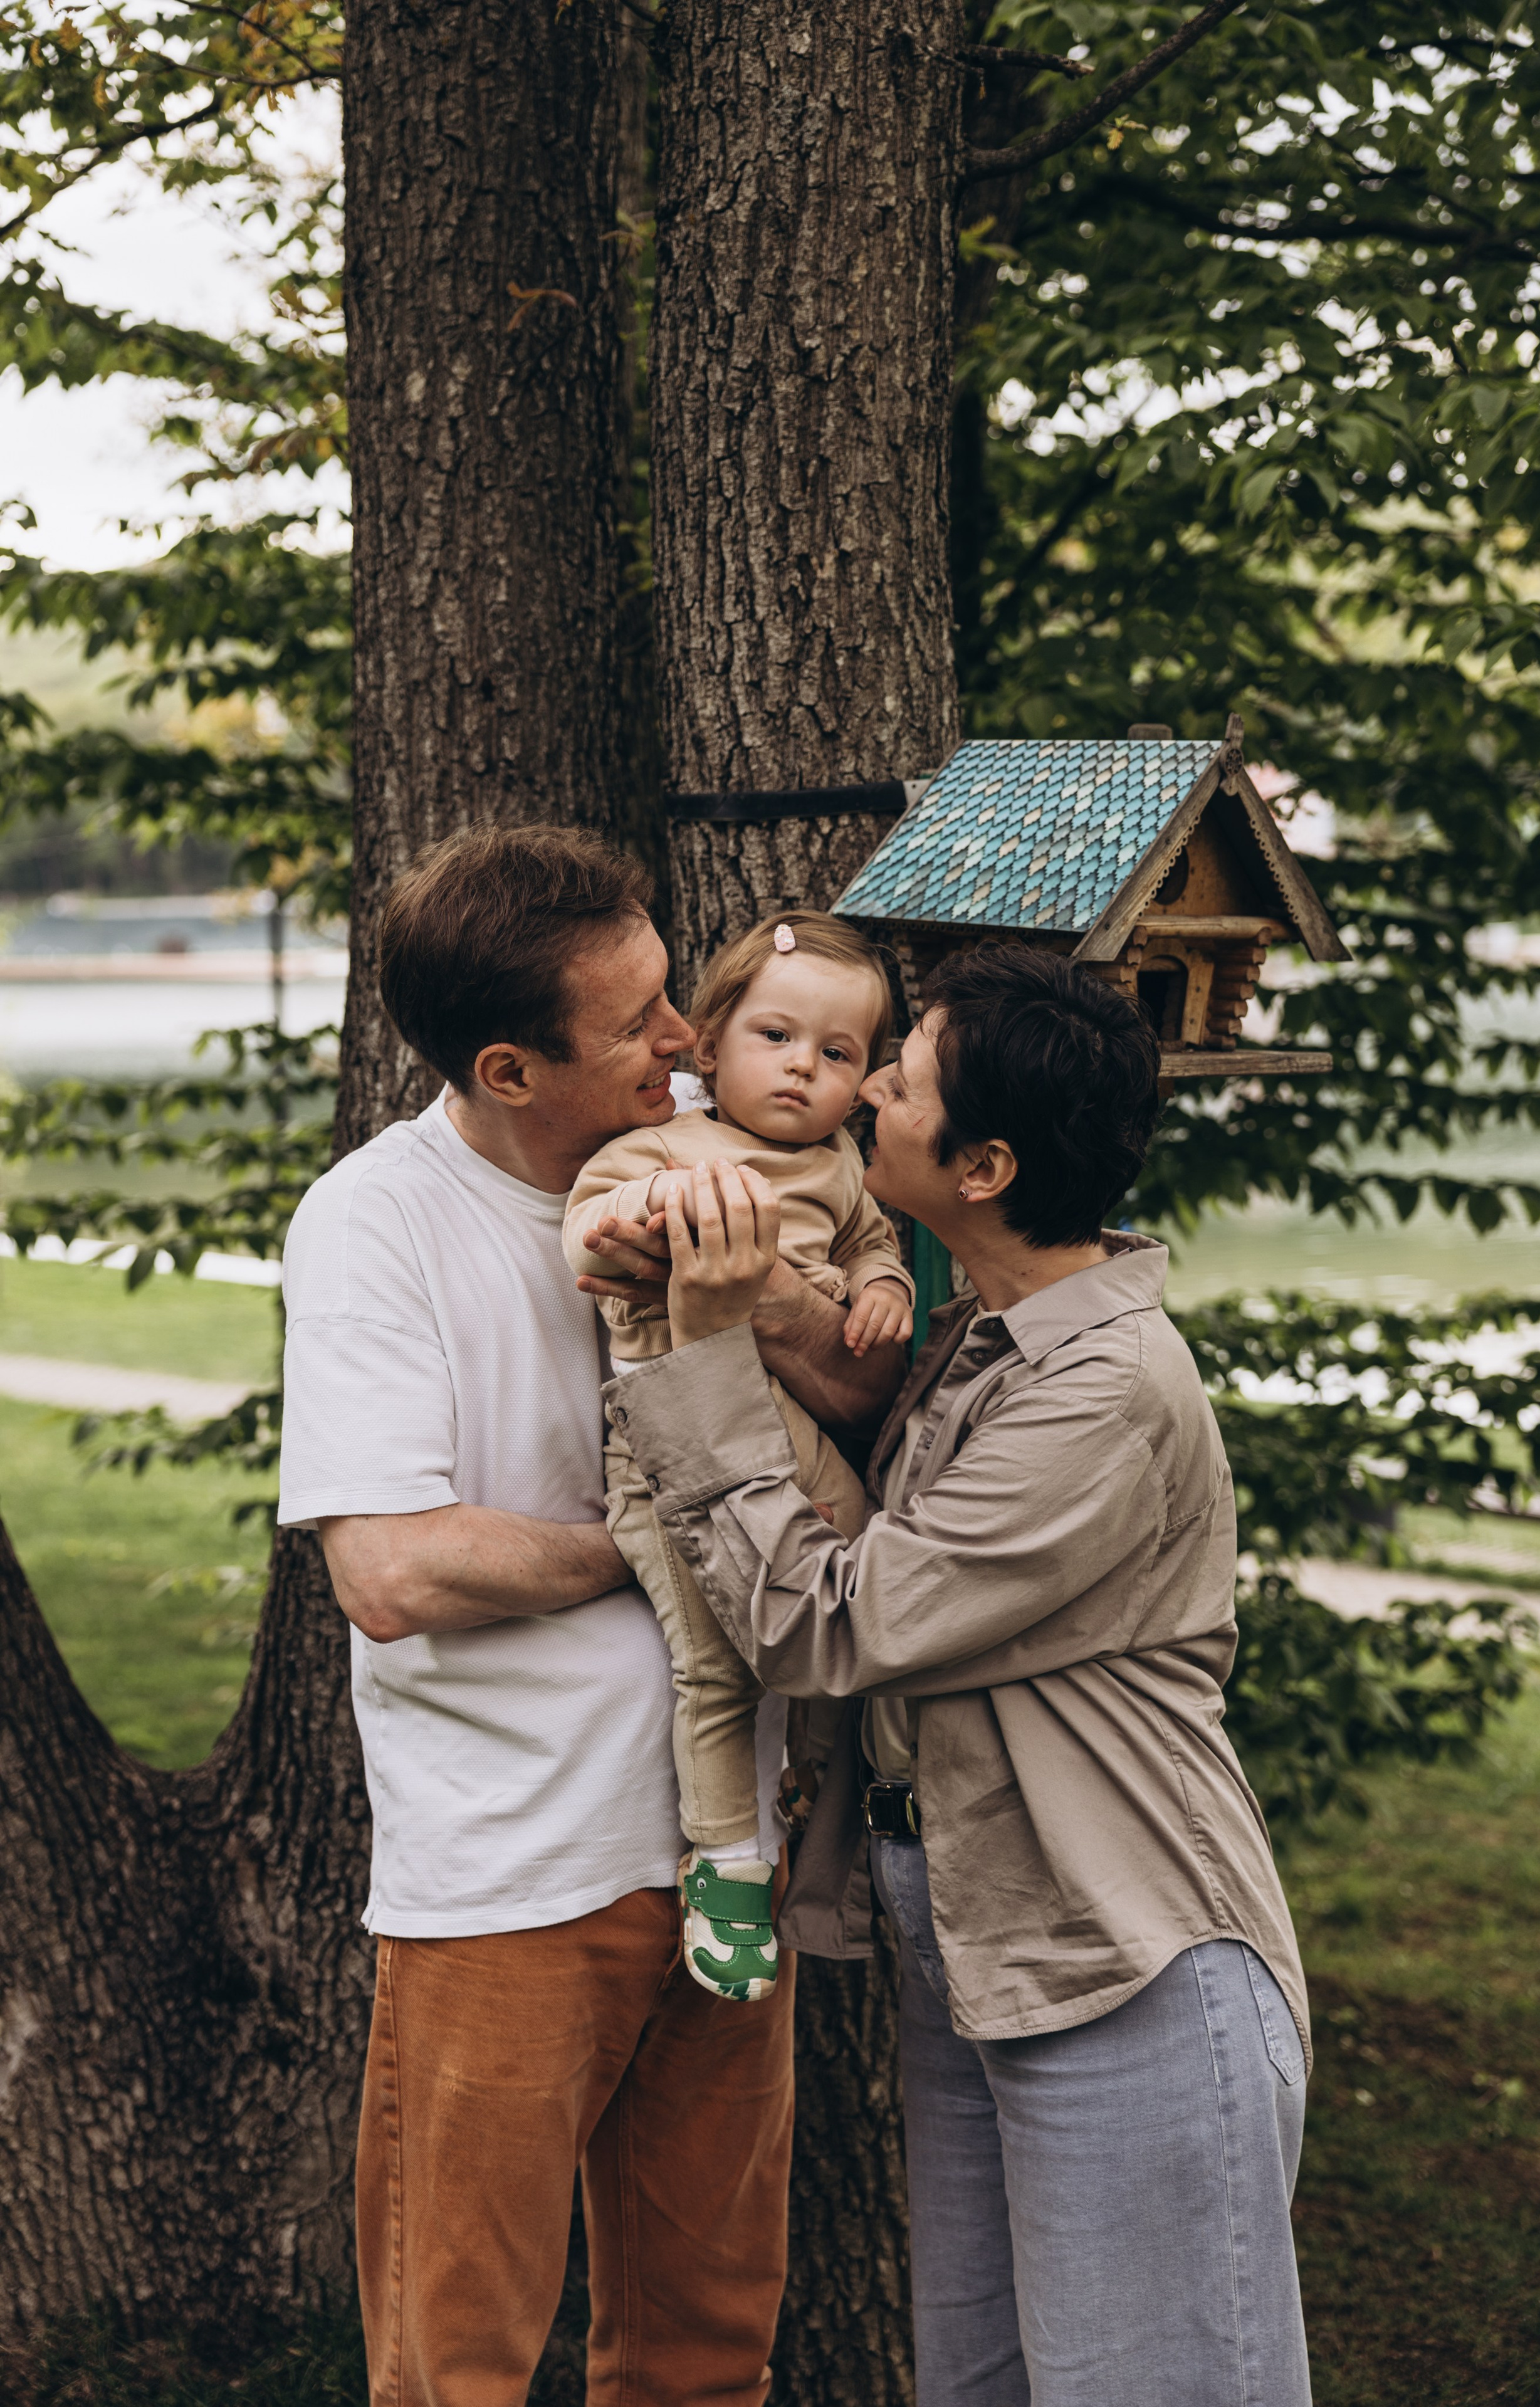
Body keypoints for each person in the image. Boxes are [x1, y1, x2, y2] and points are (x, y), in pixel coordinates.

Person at [592, 943, 1315, 2407]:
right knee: (976, 2382)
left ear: (982, 1169)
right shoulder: (983, 1334)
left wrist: (699, 1345)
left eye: (903, 1082)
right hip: (977, 1939)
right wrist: (713, 1273)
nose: (863, 1095)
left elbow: (825, 1626)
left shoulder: (1097, 1395)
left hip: (1118, 1953)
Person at [276, 823, 902, 2407]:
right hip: (511, 1878)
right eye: (635, 1023)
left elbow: (858, 1393)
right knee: (458, 2365)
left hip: (726, 1856)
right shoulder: (376, 1224)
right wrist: (667, 1547)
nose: (688, 1036)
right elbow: (391, 1572)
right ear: (508, 1069)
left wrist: (755, 1294)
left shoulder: (725, 1151)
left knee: (705, 2349)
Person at [562, 910, 914, 2003]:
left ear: (864, 1084)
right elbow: (586, 1226)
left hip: (791, 1448)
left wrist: (886, 1285)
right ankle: (725, 1866)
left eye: (837, 1053)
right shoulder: (667, 1150)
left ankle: (813, 1781)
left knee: (859, 1595)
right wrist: (657, 1208)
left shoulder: (840, 1166)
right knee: (715, 1664)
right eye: (776, 1037)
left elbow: (872, 1242)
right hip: (670, 1457)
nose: (803, 1067)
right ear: (709, 1048)